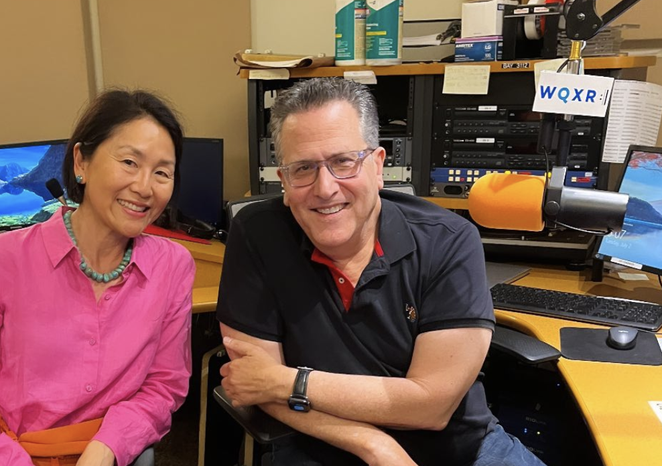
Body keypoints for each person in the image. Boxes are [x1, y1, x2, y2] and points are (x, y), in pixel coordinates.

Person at [216, 78, 546, 466]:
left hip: (460, 450)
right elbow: (255, 384)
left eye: (343, 162)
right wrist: (373, 445)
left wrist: (290, 381)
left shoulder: (450, 240)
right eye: (303, 168)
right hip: (322, 444)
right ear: (284, 182)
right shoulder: (257, 233)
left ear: (377, 166)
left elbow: (431, 406)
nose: (325, 188)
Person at [0, 89, 195, 466]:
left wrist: (108, 445)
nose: (145, 187)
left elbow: (165, 386)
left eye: (162, 172)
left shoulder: (174, 266)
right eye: (130, 162)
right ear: (81, 161)